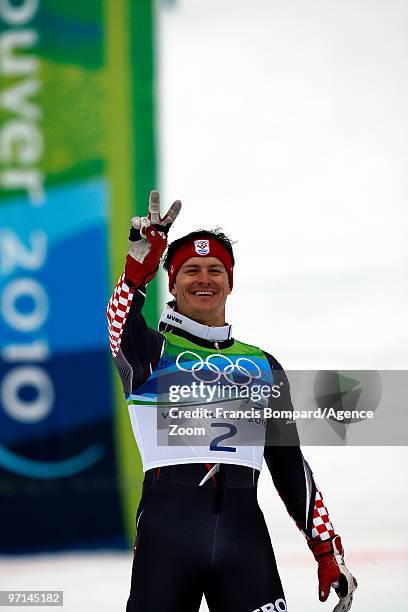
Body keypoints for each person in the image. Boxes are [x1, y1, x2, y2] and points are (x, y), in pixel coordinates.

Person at [107, 191, 357, 612]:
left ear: (230, 281)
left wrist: (326, 548)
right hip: (167, 542)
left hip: (245, 543)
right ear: (172, 281)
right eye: (190, 270)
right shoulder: (150, 351)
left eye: (214, 270)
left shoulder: (262, 364)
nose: (203, 278)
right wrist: (135, 276)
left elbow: (289, 464)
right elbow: (117, 326)